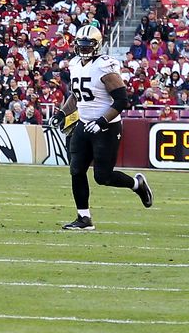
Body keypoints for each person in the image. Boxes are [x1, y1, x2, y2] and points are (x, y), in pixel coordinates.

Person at [61, 24, 153, 231]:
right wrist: (62, 113)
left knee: (103, 177)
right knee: (76, 170)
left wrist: (101, 122)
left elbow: (121, 100)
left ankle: (137, 185)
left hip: (106, 127)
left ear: (98, 45)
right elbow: (77, 95)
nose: (83, 49)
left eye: (88, 45)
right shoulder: (75, 64)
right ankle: (84, 218)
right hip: (83, 124)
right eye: (81, 45)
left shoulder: (105, 65)